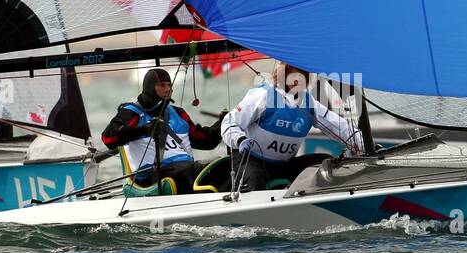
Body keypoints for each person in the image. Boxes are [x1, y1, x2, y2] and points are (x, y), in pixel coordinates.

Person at [221, 63, 361, 191]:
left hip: (284, 165)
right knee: (255, 177)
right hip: (251, 161)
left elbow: (339, 126)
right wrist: (240, 140)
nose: (297, 82)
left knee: (327, 164)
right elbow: (229, 122)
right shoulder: (263, 95)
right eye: (293, 77)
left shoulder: (309, 104)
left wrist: (364, 144)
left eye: (302, 77)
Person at [101, 68, 223, 194]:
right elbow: (108, 138)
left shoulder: (179, 113)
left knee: (220, 166)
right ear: (150, 87)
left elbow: (205, 140)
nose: (167, 89)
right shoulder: (131, 113)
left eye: (169, 85)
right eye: (162, 85)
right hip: (153, 177)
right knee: (196, 170)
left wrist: (223, 123)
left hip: (186, 170)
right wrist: (145, 130)